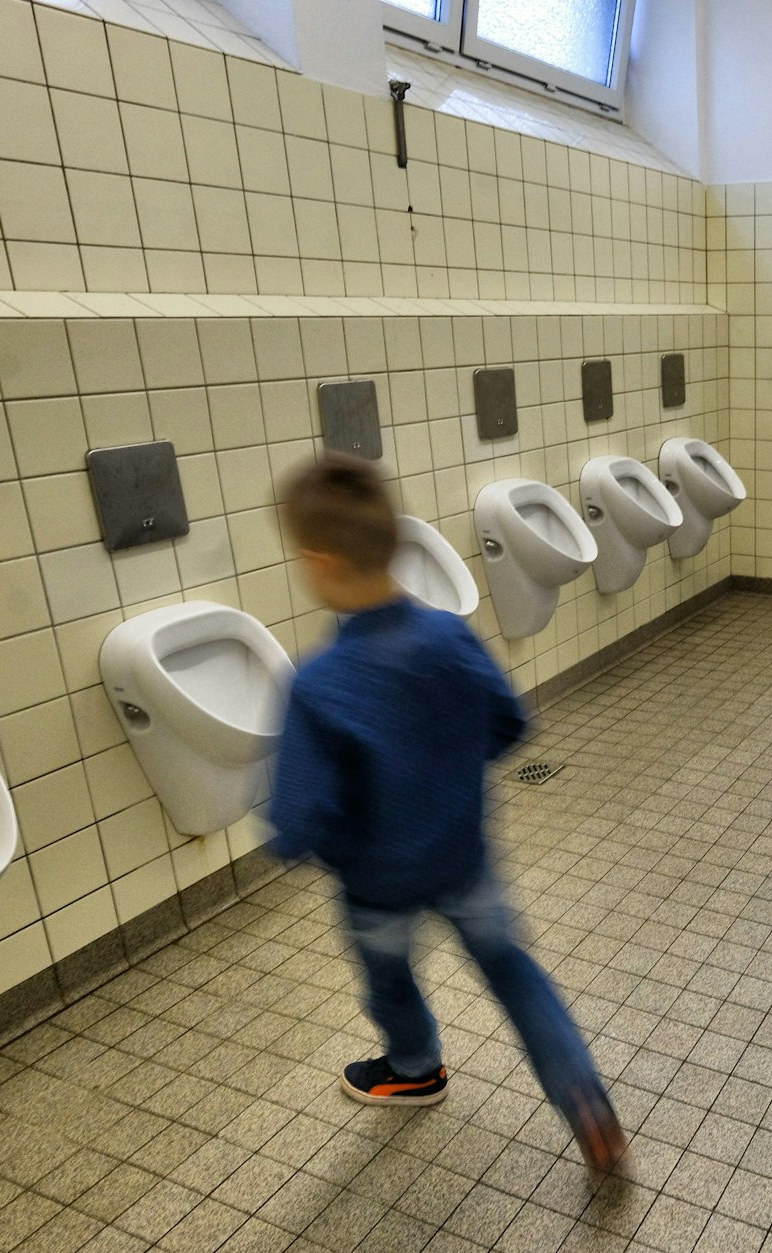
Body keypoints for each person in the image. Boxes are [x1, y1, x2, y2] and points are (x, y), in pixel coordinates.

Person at [265, 452, 626, 1175]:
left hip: (377, 883)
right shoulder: (449, 637)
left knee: (388, 979)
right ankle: (584, 1098)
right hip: (465, 858)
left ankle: (413, 1065)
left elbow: (295, 824)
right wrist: (446, 773)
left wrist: (333, 841)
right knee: (514, 971)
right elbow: (509, 723)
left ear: (321, 563)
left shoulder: (320, 683)